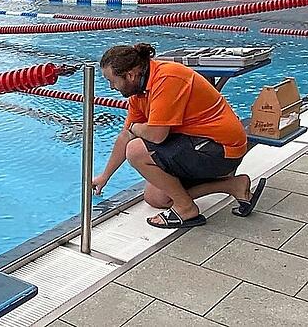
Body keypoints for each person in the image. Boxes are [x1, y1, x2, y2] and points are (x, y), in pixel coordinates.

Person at [93, 43, 267, 229]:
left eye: (111, 80)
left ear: (130, 75)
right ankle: (234, 186)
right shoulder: (139, 92)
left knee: (136, 151)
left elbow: (156, 136)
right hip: (198, 144)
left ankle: (186, 209)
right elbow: (125, 135)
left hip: (222, 149)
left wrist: (136, 127)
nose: (111, 87)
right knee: (157, 197)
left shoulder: (167, 79)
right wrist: (104, 177)